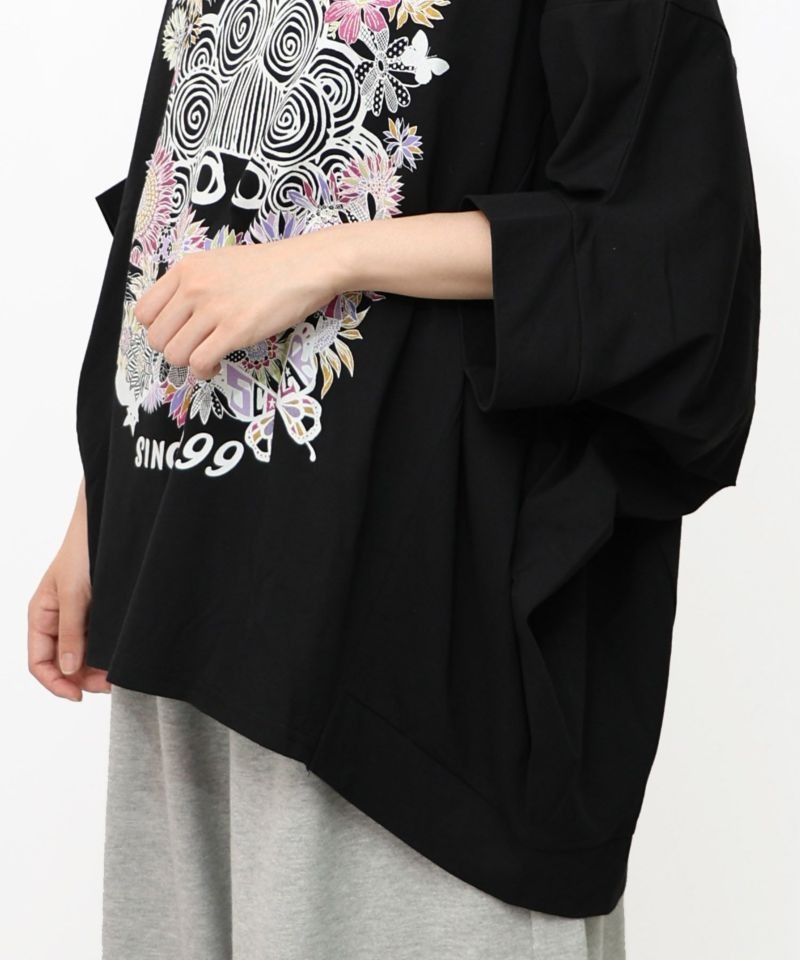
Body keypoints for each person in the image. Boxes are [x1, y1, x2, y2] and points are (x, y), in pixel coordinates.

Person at [28, 0, 760, 957]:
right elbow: (179, 203)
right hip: (188, 606)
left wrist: (329, 259)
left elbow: (669, 249)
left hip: (401, 663)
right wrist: (98, 503)